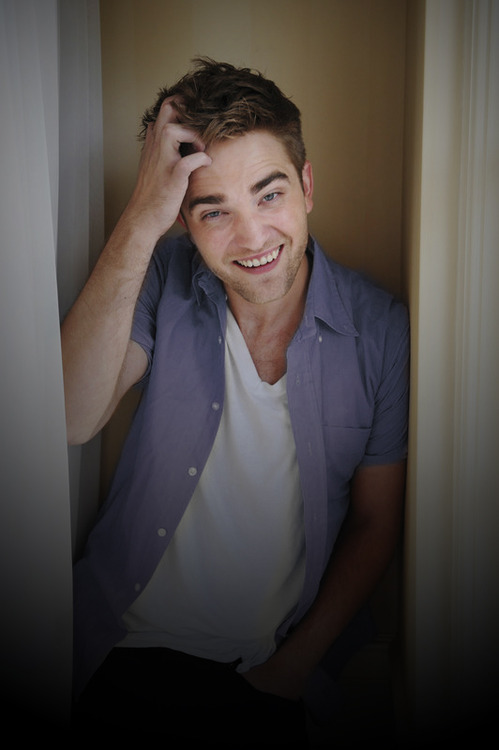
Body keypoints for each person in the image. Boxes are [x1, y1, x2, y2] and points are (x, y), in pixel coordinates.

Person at [65, 58, 409, 744]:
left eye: (268, 195)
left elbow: (375, 523)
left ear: (306, 186)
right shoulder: (162, 275)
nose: (252, 239)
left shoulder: (379, 331)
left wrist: (292, 669)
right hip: (111, 647)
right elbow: (72, 417)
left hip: (264, 671)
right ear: (184, 221)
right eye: (214, 211)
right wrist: (143, 216)